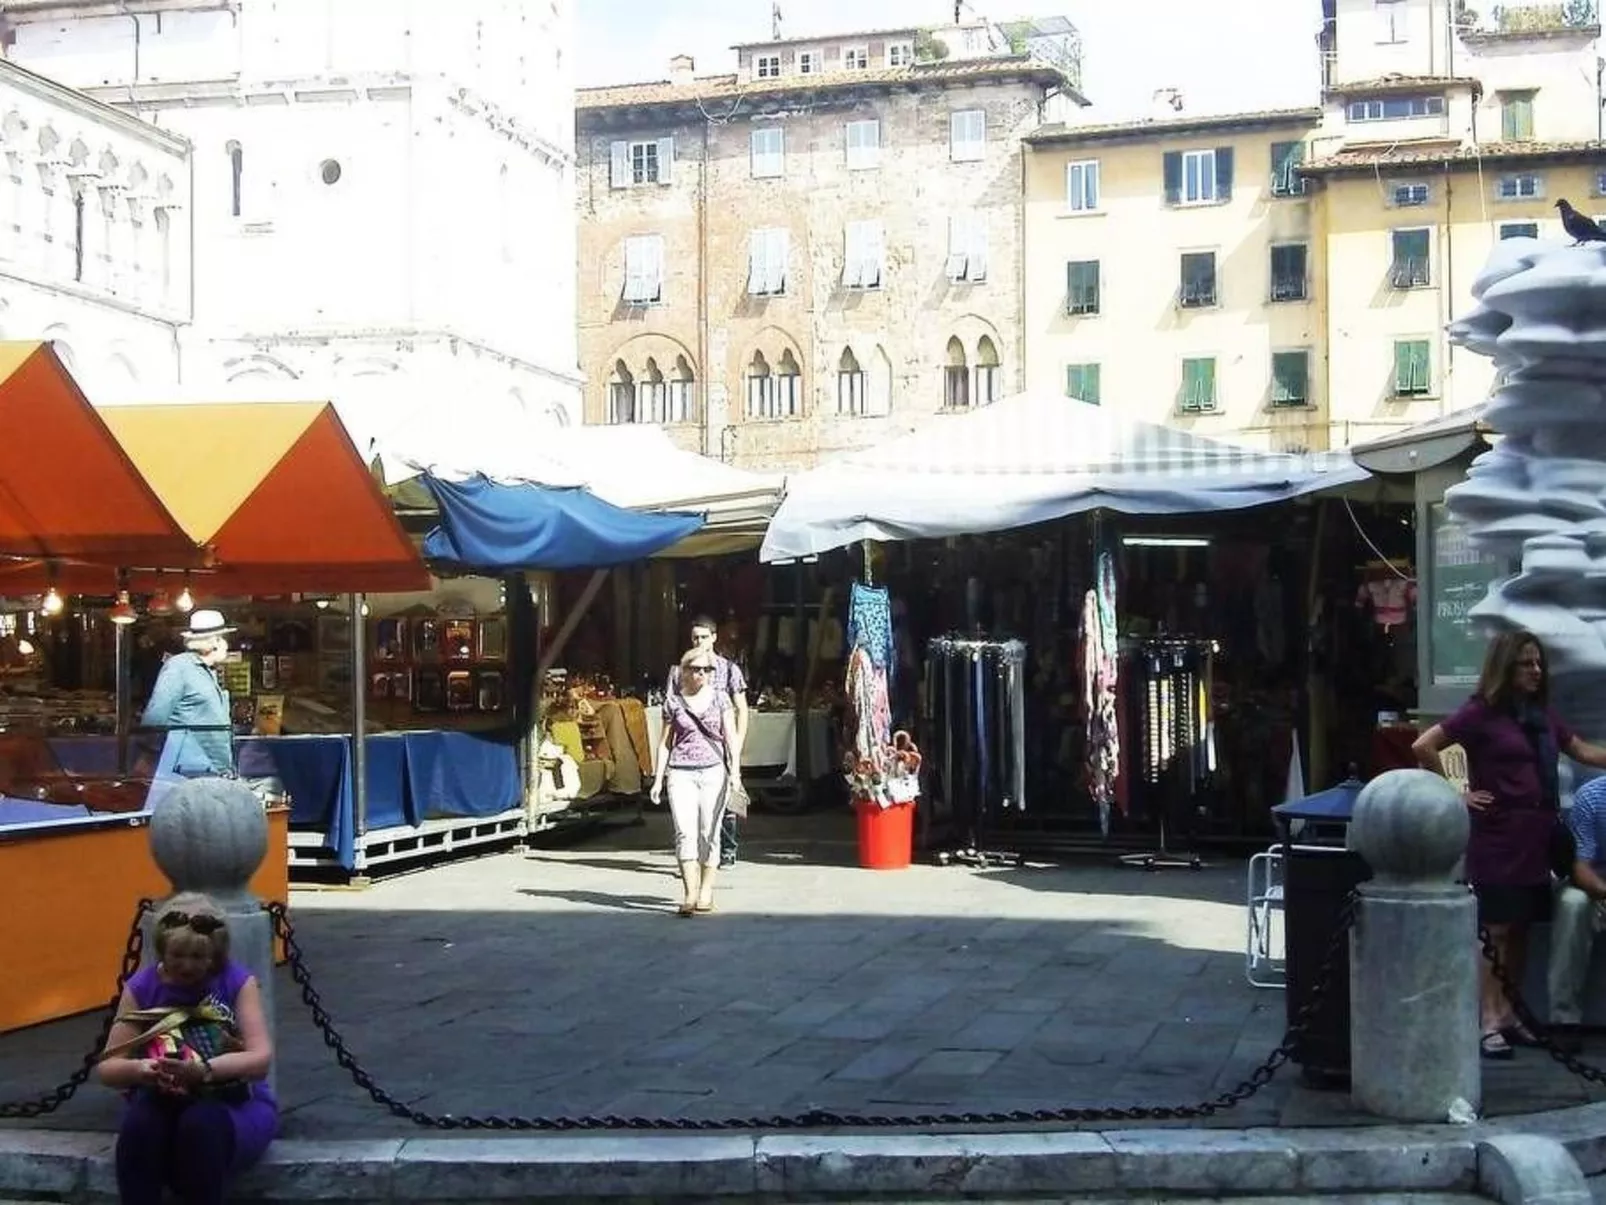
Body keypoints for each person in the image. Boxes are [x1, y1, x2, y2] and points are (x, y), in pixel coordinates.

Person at [1413, 630, 1606, 1059]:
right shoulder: (1480, 713)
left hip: (1537, 837)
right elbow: (1424, 745)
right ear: (1505, 666)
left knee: (1520, 931)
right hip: (1498, 837)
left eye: (1539, 664)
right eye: (1526, 663)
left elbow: (1582, 751)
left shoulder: (1542, 715)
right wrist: (1457, 792)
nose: (1536, 671)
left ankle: (1512, 1015)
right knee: (1496, 931)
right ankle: (1489, 1021)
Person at [99, 893, 277, 1205]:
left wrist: (204, 1072)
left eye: (198, 957)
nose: (186, 966)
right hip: (162, 1095)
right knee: (140, 1128)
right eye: (177, 955)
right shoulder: (142, 987)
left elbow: (260, 1059)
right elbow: (109, 1068)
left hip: (231, 1101)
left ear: (215, 955)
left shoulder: (237, 982)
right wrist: (142, 1070)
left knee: (200, 1127)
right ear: (162, 950)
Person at [651, 646, 738, 916]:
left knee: (708, 833)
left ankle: (706, 890)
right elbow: (665, 743)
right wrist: (657, 778)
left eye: (707, 669)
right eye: (696, 669)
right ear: (683, 671)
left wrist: (735, 772)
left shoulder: (721, 699)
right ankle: (689, 892)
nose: (701, 674)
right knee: (684, 832)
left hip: (713, 771)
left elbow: (731, 737)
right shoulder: (673, 702)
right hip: (681, 772)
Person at [667, 615, 748, 868]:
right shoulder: (680, 670)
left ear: (714, 637)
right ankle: (692, 855)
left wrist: (738, 740)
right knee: (691, 807)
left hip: (720, 741)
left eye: (703, 637)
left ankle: (727, 849)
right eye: (695, 638)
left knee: (725, 798)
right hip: (689, 746)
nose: (699, 641)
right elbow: (671, 709)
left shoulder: (729, 669)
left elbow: (741, 708)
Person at [141, 611, 236, 777]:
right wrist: (149, 757)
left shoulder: (210, 672)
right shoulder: (179, 667)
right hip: (190, 771)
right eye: (225, 639)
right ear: (215, 642)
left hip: (216, 772)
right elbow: (155, 719)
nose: (228, 645)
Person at [1550, 773, 1606, 1052]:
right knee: (1572, 904)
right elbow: (1579, 867)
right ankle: (1564, 1019)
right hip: (1597, 885)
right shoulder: (1592, 796)